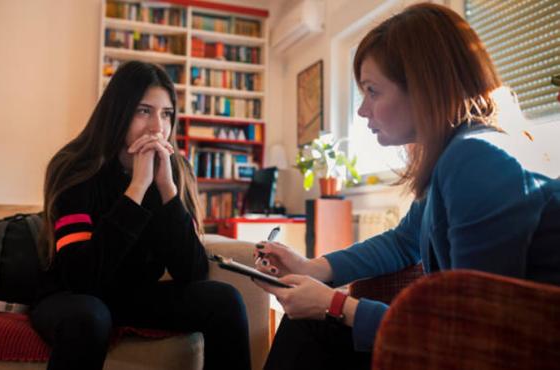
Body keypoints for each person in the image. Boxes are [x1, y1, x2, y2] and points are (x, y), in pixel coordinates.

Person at [252, 3, 560, 370]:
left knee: (310, 328)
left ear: (424, 87)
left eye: (372, 91)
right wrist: (313, 267)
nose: (362, 110)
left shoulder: (477, 159)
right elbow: (404, 241)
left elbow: (476, 335)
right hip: (470, 341)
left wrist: (335, 305)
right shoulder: (460, 152)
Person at [30, 61, 251, 370]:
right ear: (118, 112)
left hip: (134, 296)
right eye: (143, 111)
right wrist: (136, 188)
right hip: (69, 295)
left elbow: (192, 271)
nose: (157, 127)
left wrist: (166, 189)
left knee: (225, 300)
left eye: (166, 114)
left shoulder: (175, 170)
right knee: (90, 317)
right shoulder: (76, 166)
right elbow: (81, 277)